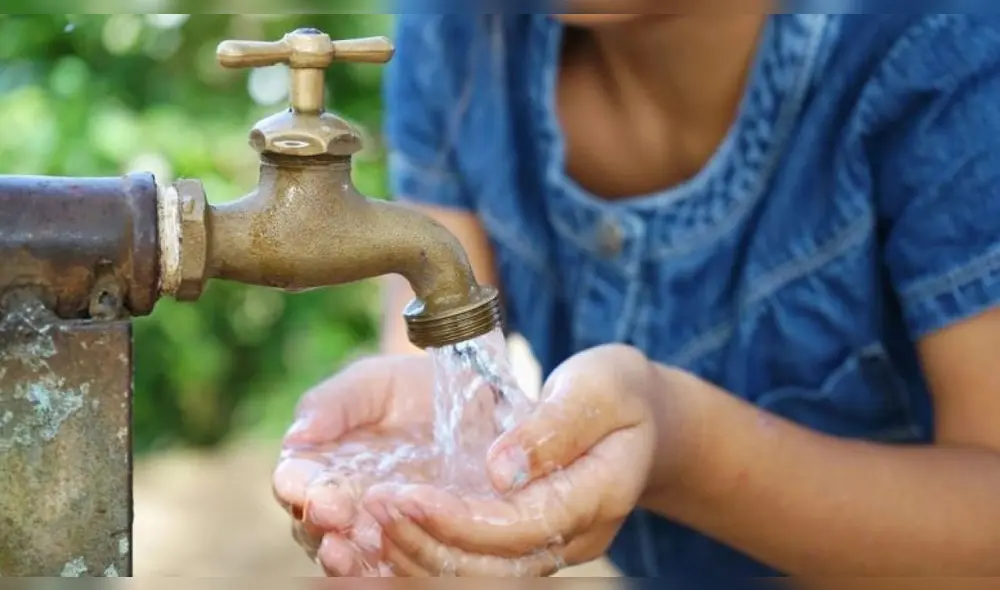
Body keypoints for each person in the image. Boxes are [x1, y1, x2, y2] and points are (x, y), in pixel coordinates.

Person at [272, 9, 1000, 580]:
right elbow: (440, 366)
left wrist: (684, 445)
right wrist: (414, 518)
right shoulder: (459, 32)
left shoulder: (941, 46)